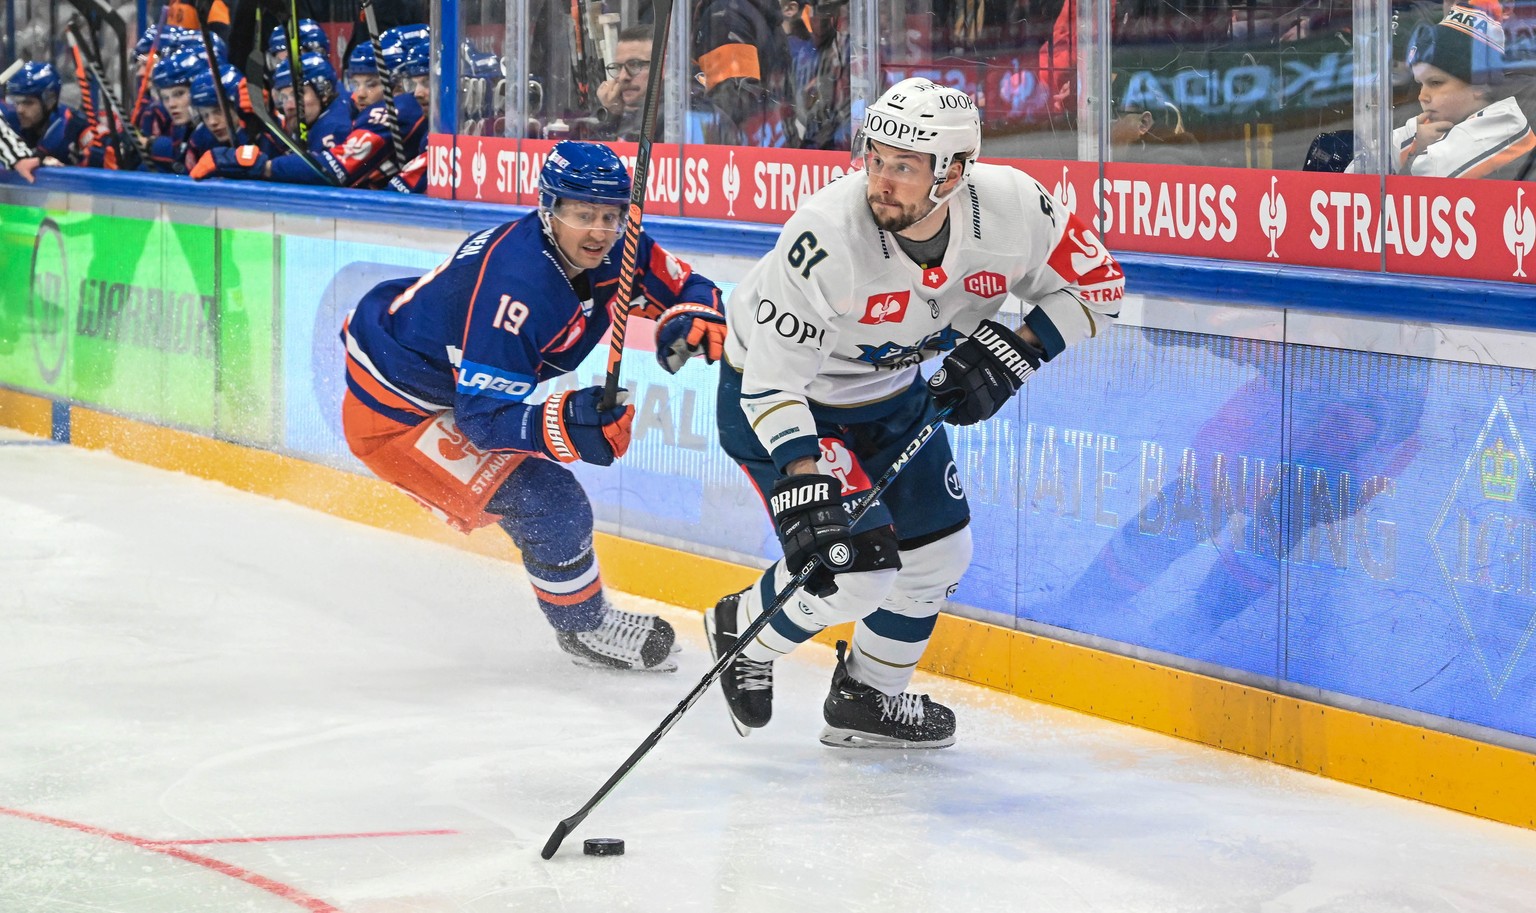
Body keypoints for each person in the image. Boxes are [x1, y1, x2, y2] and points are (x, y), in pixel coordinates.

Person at [706, 77, 1125, 748]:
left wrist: (1021, 348)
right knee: (854, 565)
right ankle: (744, 630)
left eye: (904, 166)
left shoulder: (1016, 207)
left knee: (939, 554)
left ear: (955, 171)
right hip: (788, 402)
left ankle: (868, 695)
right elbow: (770, 382)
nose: (882, 180)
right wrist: (804, 473)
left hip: (892, 392)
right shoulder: (823, 233)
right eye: (875, 158)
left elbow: (1100, 285)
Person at [339, 141, 729, 671]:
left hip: (446, 382)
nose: (599, 230)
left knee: (546, 504)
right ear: (549, 210)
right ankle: (583, 630)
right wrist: (565, 422)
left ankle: (574, 610)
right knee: (552, 504)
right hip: (397, 414)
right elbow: (482, 421)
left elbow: (686, 285)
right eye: (583, 214)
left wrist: (692, 311)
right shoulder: (518, 289)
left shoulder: (620, 243)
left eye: (612, 215)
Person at [1350, 5, 1535, 179]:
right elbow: (1355, 172)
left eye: (1436, 83)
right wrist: (1411, 139)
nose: (1422, 96)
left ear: (1480, 82)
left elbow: (1410, 196)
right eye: (1420, 84)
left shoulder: (1504, 124)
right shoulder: (1436, 123)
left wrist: (1412, 150)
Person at [692, 0, 801, 146]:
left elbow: (734, 99)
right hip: (772, 151)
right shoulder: (767, 19)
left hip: (746, 155)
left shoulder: (728, 13)